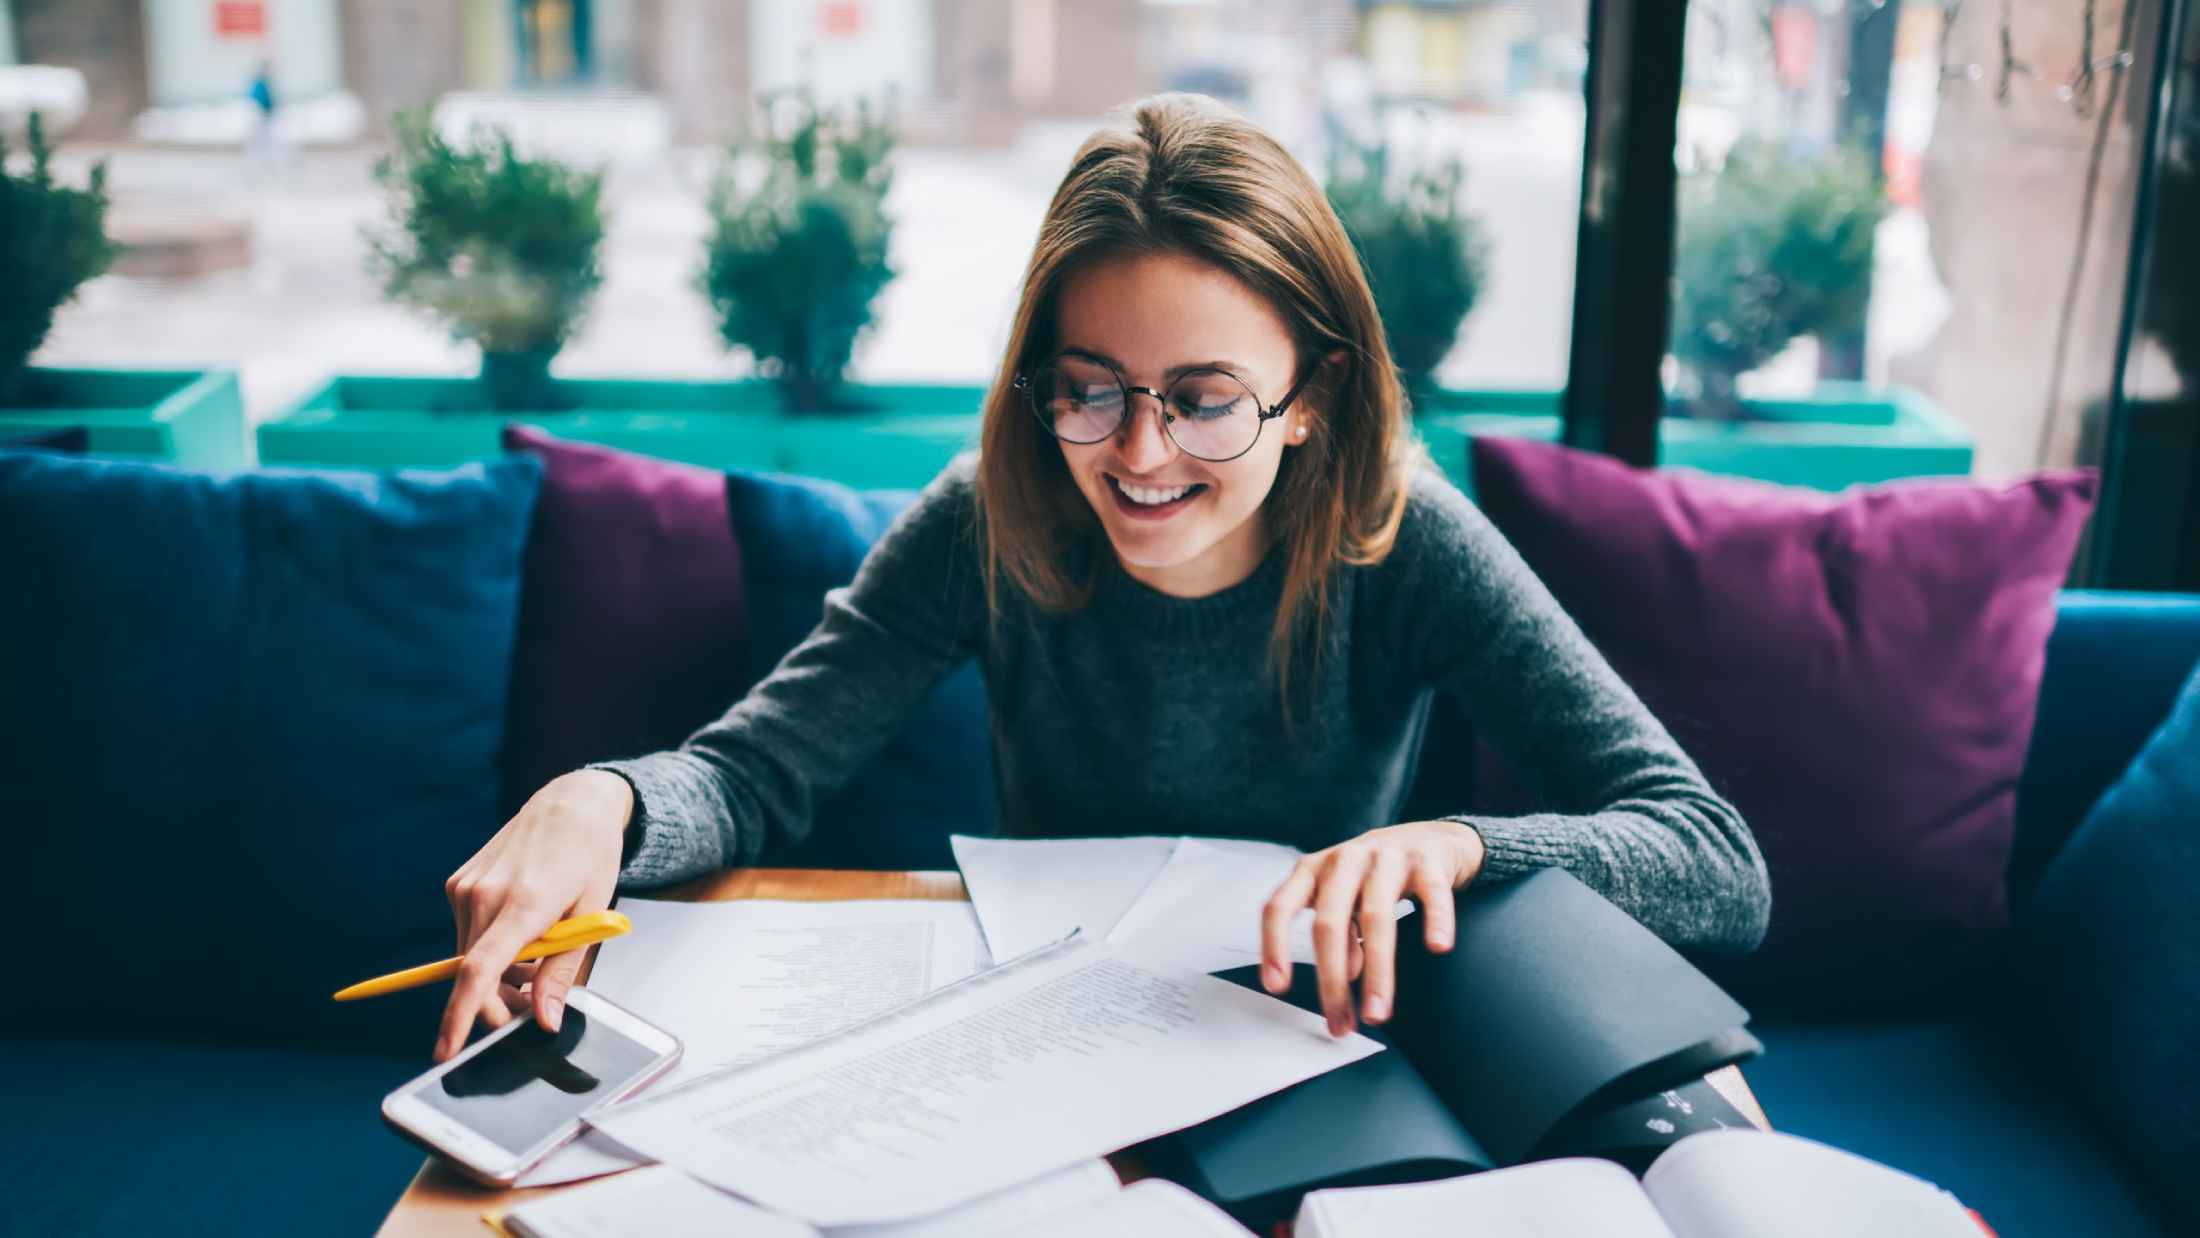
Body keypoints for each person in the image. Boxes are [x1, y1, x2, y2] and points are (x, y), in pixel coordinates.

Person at [433, 92, 1770, 1063]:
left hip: (1301, 1048)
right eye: (1088, 392)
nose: (1136, 455)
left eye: (1202, 400)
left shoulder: (1400, 537)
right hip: (1050, 1045)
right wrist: (599, 798)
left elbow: (1716, 858)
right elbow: (750, 774)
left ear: (1315, 397)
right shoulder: (995, 517)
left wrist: (1465, 846)